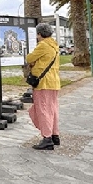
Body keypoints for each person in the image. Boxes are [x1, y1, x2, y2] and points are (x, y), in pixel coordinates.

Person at [26, 22, 61, 150]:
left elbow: (29, 58)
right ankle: (54, 135)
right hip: (54, 82)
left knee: (43, 109)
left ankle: (47, 138)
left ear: (39, 34)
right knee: (53, 108)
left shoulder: (43, 45)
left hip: (43, 83)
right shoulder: (54, 45)